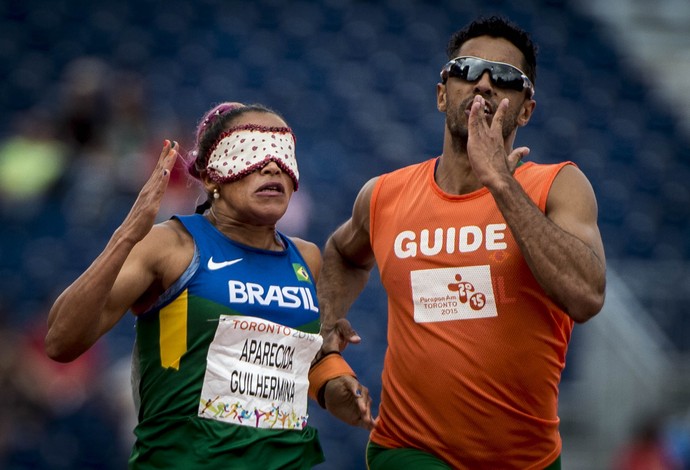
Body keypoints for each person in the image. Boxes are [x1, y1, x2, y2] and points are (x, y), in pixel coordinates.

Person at [313, 15, 607, 470]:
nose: (485, 84)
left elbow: (586, 296)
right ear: (441, 93)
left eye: (507, 77)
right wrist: (328, 332)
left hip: (528, 458)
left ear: (526, 109)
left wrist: (501, 185)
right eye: (467, 70)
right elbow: (341, 253)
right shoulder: (384, 194)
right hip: (408, 449)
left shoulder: (559, 185)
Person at [45, 102, 331, 469]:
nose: (273, 165)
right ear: (212, 176)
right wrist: (127, 236)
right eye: (253, 152)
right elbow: (60, 341)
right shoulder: (171, 246)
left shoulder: (307, 259)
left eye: (283, 154)